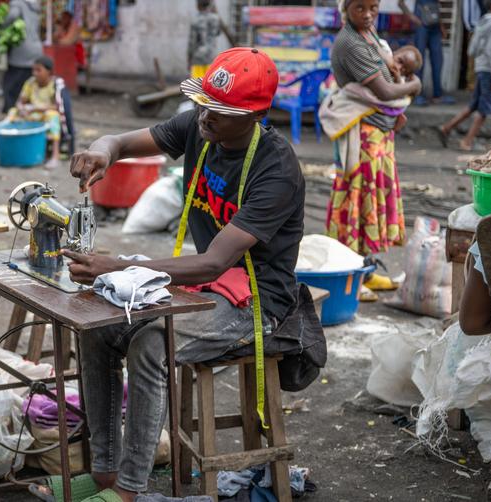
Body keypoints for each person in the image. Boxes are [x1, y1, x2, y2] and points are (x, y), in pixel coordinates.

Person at [32, 48, 315, 502]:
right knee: (99, 330)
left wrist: (119, 265)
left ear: (255, 115)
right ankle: (103, 473)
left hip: (256, 301)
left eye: (218, 111)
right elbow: (120, 142)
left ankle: (128, 490)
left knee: (150, 342)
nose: (205, 117)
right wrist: (101, 151)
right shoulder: (200, 126)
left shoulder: (276, 170)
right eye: (203, 103)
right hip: (207, 286)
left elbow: (214, 261)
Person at [324, 0, 422, 300]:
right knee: (354, 203)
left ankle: (365, 270)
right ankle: (349, 277)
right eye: (359, 8)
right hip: (362, 136)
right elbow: (386, 91)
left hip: (379, 135)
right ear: (346, 8)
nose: (367, 15)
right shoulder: (350, 43)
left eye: (373, 8)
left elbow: (392, 80)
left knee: (371, 203)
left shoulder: (371, 37)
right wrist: (415, 84)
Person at [438, 0, 491, 151]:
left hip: (481, 68)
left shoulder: (482, 21)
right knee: (483, 110)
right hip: (490, 70)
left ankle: (446, 128)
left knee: (473, 106)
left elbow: (472, 50)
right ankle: (467, 141)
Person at [7, 56, 65, 168]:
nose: (35, 73)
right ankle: (14, 147)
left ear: (49, 72)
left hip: (45, 114)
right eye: (34, 70)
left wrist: (35, 108)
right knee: (12, 112)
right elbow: (20, 101)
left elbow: (57, 107)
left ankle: (55, 156)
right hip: (31, 114)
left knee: (53, 116)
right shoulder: (30, 83)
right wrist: (21, 109)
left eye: (39, 70)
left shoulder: (55, 84)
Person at [399, 0, 455, 105]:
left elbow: (437, 5)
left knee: (438, 60)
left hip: (435, 25)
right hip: (421, 24)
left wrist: (442, 24)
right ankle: (417, 95)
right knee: (419, 60)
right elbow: (400, 3)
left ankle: (438, 95)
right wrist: (412, 17)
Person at [1, 0, 43, 113]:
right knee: (28, 83)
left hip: (21, 51)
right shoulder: (35, 5)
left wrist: (2, 25)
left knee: (11, 85)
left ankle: (11, 112)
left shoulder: (18, 3)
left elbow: (12, 16)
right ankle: (25, 111)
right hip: (36, 48)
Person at [188, 0, 236, 78]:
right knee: (210, 83)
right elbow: (217, 32)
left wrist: (189, 59)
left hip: (198, 58)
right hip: (211, 56)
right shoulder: (215, 19)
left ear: (198, 6)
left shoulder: (195, 20)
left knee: (196, 86)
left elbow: (192, 42)